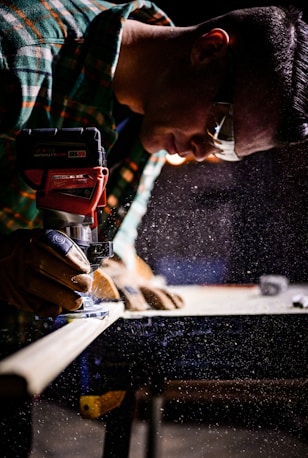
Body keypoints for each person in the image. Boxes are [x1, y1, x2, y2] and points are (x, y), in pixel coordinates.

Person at [0, 0, 307, 317]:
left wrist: (116, 269)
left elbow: (114, 237)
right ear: (208, 51)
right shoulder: (17, 57)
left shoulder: (158, 122)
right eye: (220, 128)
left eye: (225, 150)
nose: (202, 152)